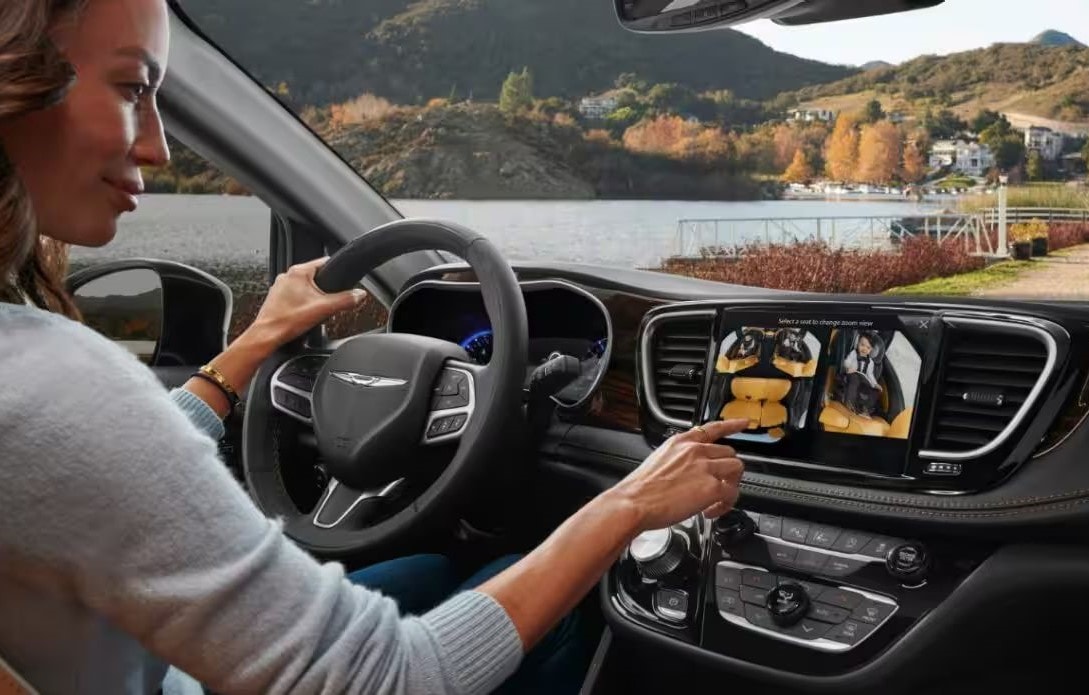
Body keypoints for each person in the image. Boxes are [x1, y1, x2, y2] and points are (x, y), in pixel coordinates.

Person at [0, 1, 750, 693]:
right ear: (14, 73)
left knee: (432, 565)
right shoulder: (52, 378)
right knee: (571, 598)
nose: (161, 145)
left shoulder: (38, 386)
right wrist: (627, 504)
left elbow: (92, 464)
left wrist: (259, 341)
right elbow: (394, 677)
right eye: (134, 87)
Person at [840, 332, 882, 417]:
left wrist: (875, 384)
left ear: (871, 350)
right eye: (862, 345)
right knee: (855, 380)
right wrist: (848, 368)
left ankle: (866, 410)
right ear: (857, 344)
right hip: (852, 374)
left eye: (868, 347)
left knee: (875, 391)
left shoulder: (870, 362)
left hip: (863, 378)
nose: (864, 349)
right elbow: (846, 362)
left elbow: (870, 374)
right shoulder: (854, 353)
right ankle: (849, 404)